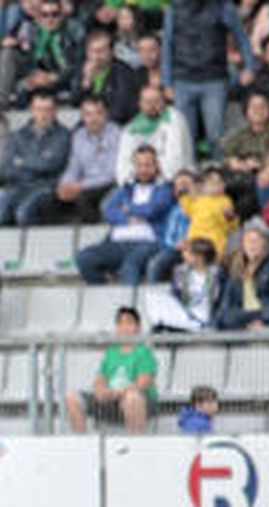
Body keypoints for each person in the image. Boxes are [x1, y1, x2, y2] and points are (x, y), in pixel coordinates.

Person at [161, 0, 255, 153]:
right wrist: (166, 82)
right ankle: (186, 174)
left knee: (215, 135)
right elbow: (167, 44)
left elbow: (242, 38)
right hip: (182, 80)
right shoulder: (174, 8)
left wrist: (250, 66)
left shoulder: (224, 6)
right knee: (184, 137)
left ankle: (218, 171)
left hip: (214, 80)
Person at [77, 145, 173, 285]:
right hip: (117, 241)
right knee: (84, 258)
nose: (143, 170)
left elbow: (153, 210)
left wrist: (128, 209)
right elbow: (108, 212)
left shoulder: (165, 188)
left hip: (148, 242)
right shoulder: (126, 189)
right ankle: (104, 295)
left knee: (129, 265)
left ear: (156, 165)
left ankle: (129, 305)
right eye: (139, 165)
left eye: (147, 165)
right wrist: (126, 218)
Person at [0, 89, 68, 226]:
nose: (43, 115)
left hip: (45, 188)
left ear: (55, 111)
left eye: (47, 110)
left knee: (23, 213)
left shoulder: (63, 136)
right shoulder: (19, 135)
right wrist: (38, 163)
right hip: (18, 186)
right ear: (31, 110)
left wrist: (23, 162)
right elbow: (8, 168)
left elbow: (52, 165)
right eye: (38, 109)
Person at [64, 305, 156, 434]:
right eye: (121, 323)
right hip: (111, 400)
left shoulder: (144, 352)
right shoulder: (111, 352)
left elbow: (143, 383)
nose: (125, 328)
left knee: (132, 398)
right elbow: (100, 379)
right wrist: (101, 390)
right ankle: (81, 445)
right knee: (72, 397)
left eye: (129, 323)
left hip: (138, 400)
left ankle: (135, 446)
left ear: (138, 327)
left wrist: (118, 393)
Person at [43, 94, 119, 223]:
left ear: (106, 114)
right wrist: (65, 185)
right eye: (88, 114)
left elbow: (112, 173)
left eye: (98, 113)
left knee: (83, 200)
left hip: (108, 184)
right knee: (48, 201)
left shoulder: (117, 134)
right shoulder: (79, 135)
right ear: (82, 117)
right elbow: (73, 166)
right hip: (83, 184)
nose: (93, 119)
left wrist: (81, 186)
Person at [214, 223, 269, 330]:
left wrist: (264, 319)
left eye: (256, 241)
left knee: (232, 319)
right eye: (248, 241)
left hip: (263, 313)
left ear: (264, 245)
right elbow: (227, 300)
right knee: (226, 318)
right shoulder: (237, 268)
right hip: (244, 315)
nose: (251, 245)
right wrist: (218, 320)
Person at [114, 84, 191, 184]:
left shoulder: (174, 120)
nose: (152, 105)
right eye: (147, 101)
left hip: (170, 181)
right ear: (140, 103)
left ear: (164, 102)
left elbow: (176, 158)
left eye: (156, 101)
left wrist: (150, 168)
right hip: (137, 180)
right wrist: (138, 173)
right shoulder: (130, 129)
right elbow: (123, 162)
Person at [144, 236, 221, 332]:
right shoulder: (181, 272)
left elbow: (217, 300)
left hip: (203, 318)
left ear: (199, 257)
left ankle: (190, 325)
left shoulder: (217, 274)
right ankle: (163, 326)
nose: (183, 255)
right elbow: (175, 296)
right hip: (184, 313)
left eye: (188, 252)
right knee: (153, 297)